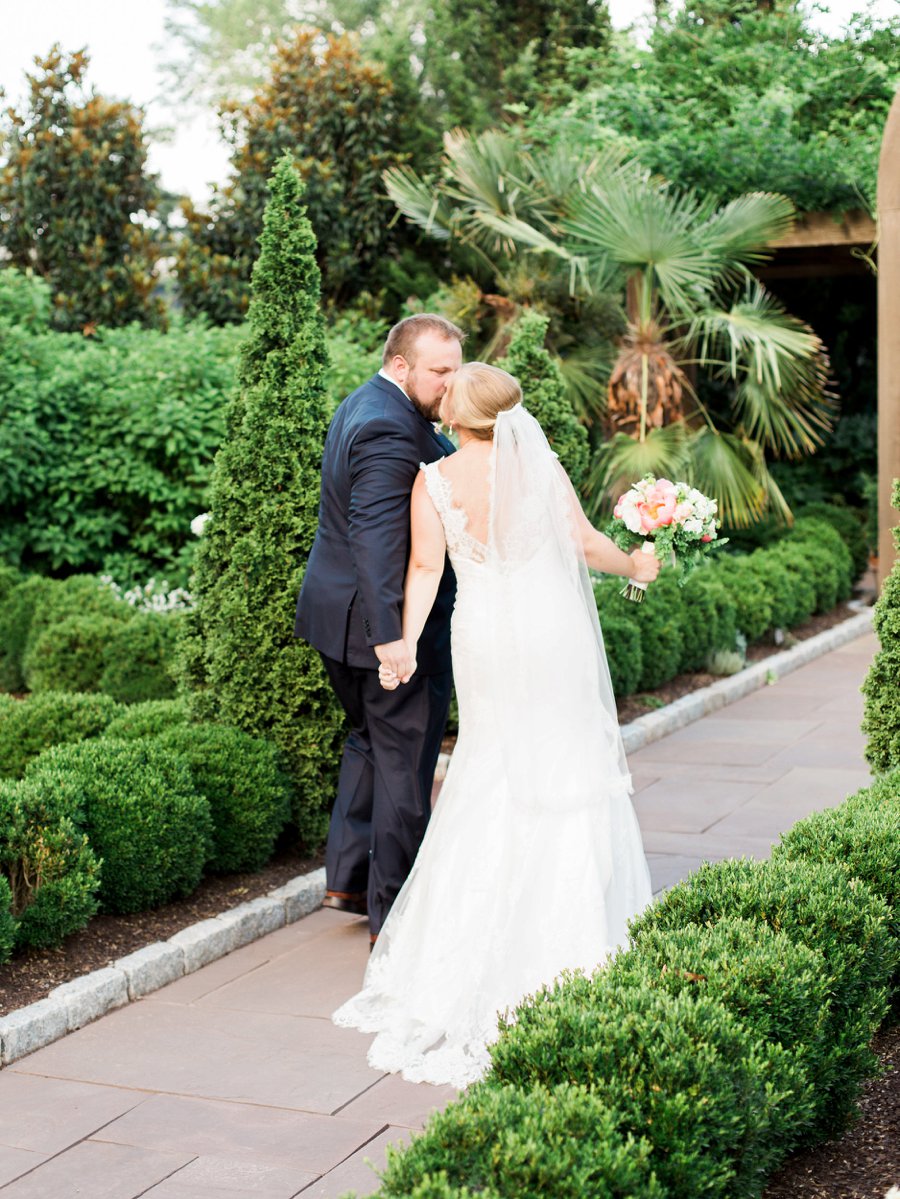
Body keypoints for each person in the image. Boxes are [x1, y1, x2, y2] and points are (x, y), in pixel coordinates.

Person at [333, 362, 660, 1088]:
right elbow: (583, 546)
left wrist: (405, 645)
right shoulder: (540, 469)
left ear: (456, 414)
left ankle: (463, 949)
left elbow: (423, 569)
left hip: (482, 636)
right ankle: (576, 940)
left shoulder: (435, 480)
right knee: (567, 761)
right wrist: (636, 565)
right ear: (508, 415)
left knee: (490, 763)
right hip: (550, 633)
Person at [294, 314, 465, 947]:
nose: (451, 384)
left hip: (337, 620)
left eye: (455, 370)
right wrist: (393, 637)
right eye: (439, 372)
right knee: (404, 766)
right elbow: (376, 538)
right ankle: (392, 922)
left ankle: (350, 880)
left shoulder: (365, 402)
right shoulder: (393, 428)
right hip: (383, 632)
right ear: (402, 367)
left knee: (369, 744)